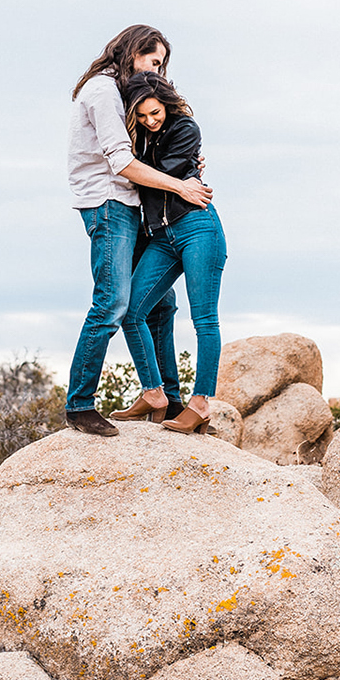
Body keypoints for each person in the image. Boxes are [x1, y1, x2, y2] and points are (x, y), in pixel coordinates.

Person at [65, 25, 213, 436]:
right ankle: (79, 404)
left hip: (134, 205)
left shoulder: (126, 96)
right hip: (109, 204)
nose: (159, 71)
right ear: (134, 54)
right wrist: (181, 184)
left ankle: (169, 400)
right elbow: (120, 161)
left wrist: (186, 165)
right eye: (154, 61)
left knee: (162, 308)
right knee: (112, 301)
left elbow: (150, 151)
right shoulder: (102, 91)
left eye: (161, 65)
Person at [112, 72, 226, 434]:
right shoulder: (139, 137)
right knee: (131, 312)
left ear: (165, 102)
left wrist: (134, 167)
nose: (150, 120)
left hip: (197, 227)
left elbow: (155, 175)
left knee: (204, 320)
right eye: (142, 115)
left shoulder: (185, 128)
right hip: (162, 236)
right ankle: (154, 392)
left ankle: (200, 403)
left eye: (155, 112)